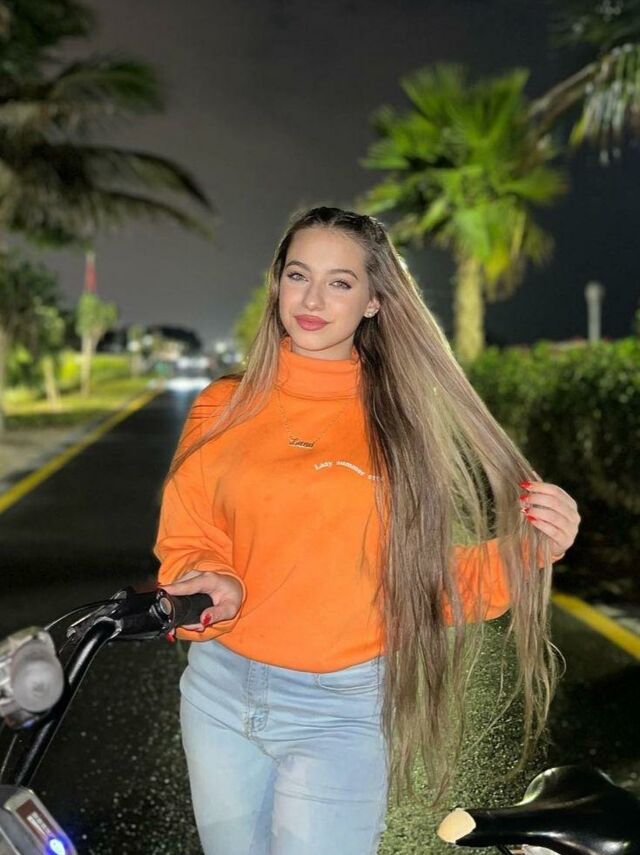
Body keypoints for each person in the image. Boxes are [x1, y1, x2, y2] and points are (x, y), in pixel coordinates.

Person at [154, 206, 580, 855]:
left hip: (340, 710)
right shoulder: (223, 404)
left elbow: (429, 580)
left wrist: (532, 549)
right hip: (218, 691)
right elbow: (189, 532)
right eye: (299, 275)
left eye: (340, 282)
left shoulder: (402, 425)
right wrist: (211, 578)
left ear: (375, 300)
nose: (312, 300)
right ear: (277, 284)